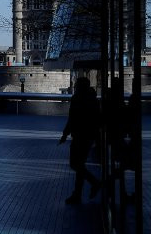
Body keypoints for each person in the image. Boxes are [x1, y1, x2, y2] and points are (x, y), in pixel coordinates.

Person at [59, 77, 101, 205]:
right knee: (80, 164)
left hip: (79, 136)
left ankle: (93, 183)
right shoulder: (93, 100)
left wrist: (65, 134)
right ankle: (77, 193)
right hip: (89, 136)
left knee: (75, 164)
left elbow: (72, 118)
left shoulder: (77, 99)